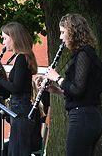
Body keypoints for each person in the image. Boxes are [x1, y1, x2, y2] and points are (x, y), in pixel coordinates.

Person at [44, 13, 102, 156]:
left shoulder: (84, 54)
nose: (60, 37)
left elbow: (78, 90)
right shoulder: (86, 54)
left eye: (63, 32)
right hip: (87, 115)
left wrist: (57, 77)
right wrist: (56, 90)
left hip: (83, 117)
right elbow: (81, 91)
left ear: (74, 32)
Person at [0, 22, 38, 156]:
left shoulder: (21, 57)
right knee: (14, 149)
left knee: (18, 150)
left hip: (21, 109)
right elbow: (14, 88)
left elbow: (16, 88)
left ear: (14, 37)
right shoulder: (19, 57)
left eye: (5, 38)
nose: (3, 42)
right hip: (18, 107)